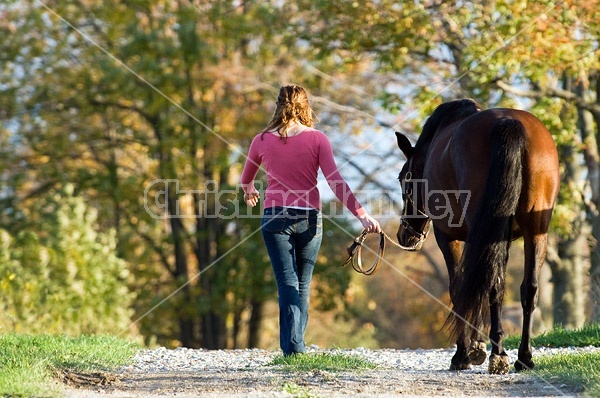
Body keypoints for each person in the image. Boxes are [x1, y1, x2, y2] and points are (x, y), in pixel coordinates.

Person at [241, 85, 380, 356]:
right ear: (306, 106)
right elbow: (335, 182)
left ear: (278, 105)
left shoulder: (261, 140)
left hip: (275, 218)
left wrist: (250, 190)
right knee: (301, 284)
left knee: (287, 283)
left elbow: (246, 178)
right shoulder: (318, 139)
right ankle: (296, 348)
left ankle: (293, 349)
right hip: (309, 220)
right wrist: (361, 215)